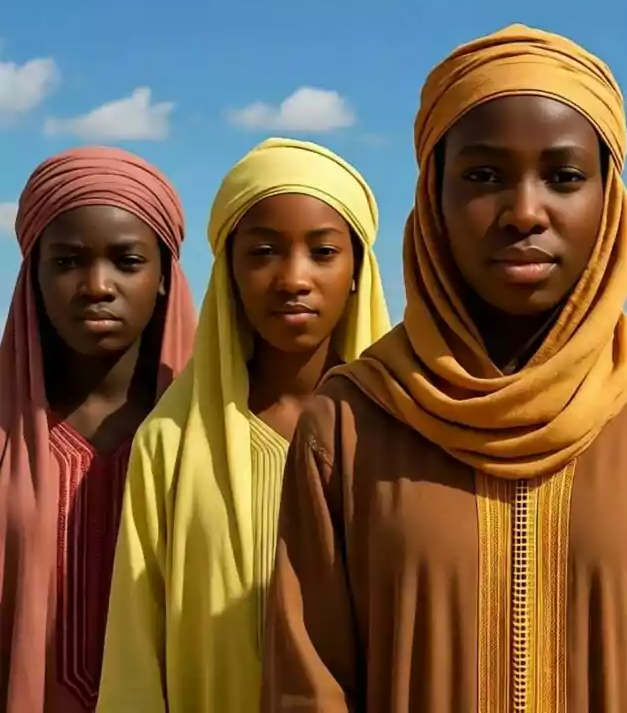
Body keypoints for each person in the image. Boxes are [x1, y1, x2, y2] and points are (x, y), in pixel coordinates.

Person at [261, 24, 627, 711]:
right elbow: (307, 686)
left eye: (563, 177)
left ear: (610, 200)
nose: (524, 212)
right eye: (483, 176)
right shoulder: (351, 422)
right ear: (433, 196)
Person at [97, 138, 391, 713]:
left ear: (358, 269)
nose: (293, 278)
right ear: (228, 272)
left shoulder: (410, 436)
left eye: (323, 252)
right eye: (262, 253)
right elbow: (135, 652)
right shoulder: (171, 444)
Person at [0, 147, 196, 712]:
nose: (96, 286)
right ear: (32, 276)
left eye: (127, 261)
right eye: (67, 262)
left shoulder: (211, 437)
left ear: (164, 275)